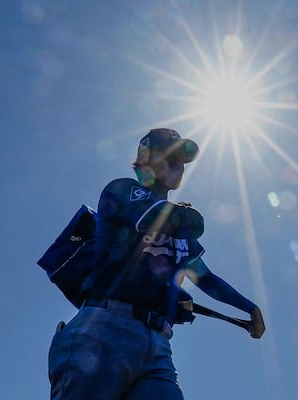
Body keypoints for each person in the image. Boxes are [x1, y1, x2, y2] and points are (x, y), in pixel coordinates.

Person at [48, 128, 265, 400]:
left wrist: (248, 308)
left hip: (158, 344)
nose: (178, 165)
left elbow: (205, 278)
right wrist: (186, 217)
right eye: (170, 156)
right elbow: (161, 218)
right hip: (102, 332)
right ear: (146, 156)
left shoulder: (179, 227)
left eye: (182, 160)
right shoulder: (121, 190)